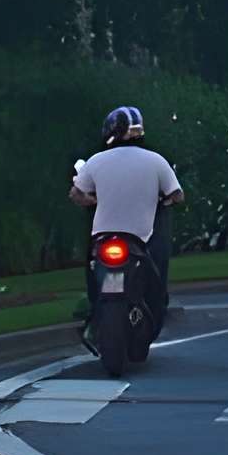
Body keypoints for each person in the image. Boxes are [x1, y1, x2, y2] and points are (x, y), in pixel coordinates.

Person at [70, 105, 183, 329]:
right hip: (141, 239)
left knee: (93, 271)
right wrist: (162, 201)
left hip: (103, 237)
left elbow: (75, 193)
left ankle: (96, 311)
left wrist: (91, 201)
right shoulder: (156, 160)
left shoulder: (96, 161)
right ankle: (149, 313)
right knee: (156, 277)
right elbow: (177, 195)